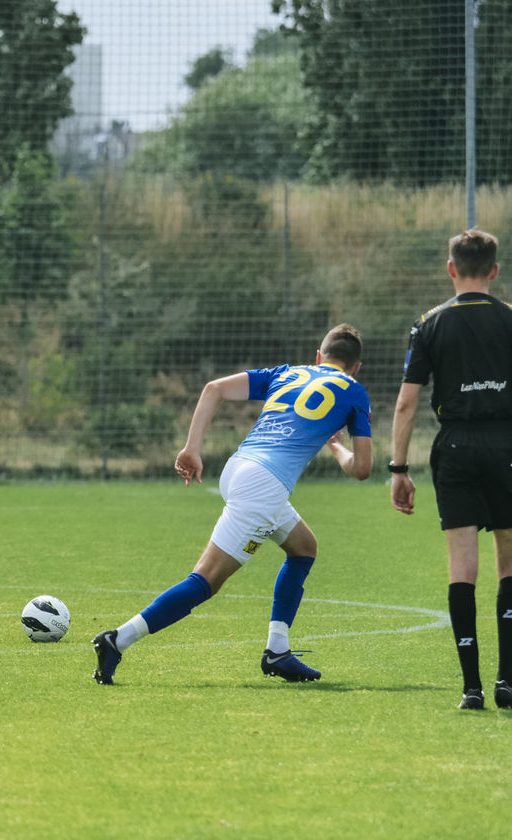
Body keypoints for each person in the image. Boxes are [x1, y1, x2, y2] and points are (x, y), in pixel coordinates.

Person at [93, 324, 372, 685]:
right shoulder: (355, 392)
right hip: (264, 488)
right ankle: (117, 640)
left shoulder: (288, 372)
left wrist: (192, 448)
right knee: (205, 581)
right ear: (356, 367)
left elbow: (214, 389)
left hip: (238, 467)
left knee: (304, 548)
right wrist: (336, 446)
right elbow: (362, 468)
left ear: (318, 357)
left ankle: (277, 651)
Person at [390, 228, 512, 711]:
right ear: (495, 271)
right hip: (506, 445)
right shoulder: (510, 319)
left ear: (451, 269)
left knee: (463, 567)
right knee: (509, 563)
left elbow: (406, 404)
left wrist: (399, 468)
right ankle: (507, 681)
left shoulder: (429, 324)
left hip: (455, 447)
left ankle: (472, 688)